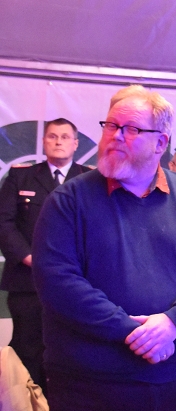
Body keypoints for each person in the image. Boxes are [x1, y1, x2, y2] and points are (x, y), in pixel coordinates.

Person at [31, 85, 176, 411]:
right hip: (90, 390)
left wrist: (172, 322)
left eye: (131, 129)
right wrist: (132, 331)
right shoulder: (68, 202)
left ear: (160, 143)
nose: (115, 136)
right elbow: (58, 283)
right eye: (111, 125)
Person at [0, 118, 91, 390]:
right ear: (43, 141)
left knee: (71, 353)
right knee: (27, 351)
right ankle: (28, 408)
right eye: (52, 136)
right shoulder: (20, 176)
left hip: (76, 284)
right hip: (28, 283)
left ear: (75, 144)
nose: (58, 141)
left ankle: (62, 408)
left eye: (65, 137)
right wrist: (30, 258)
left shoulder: (89, 180)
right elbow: (4, 223)